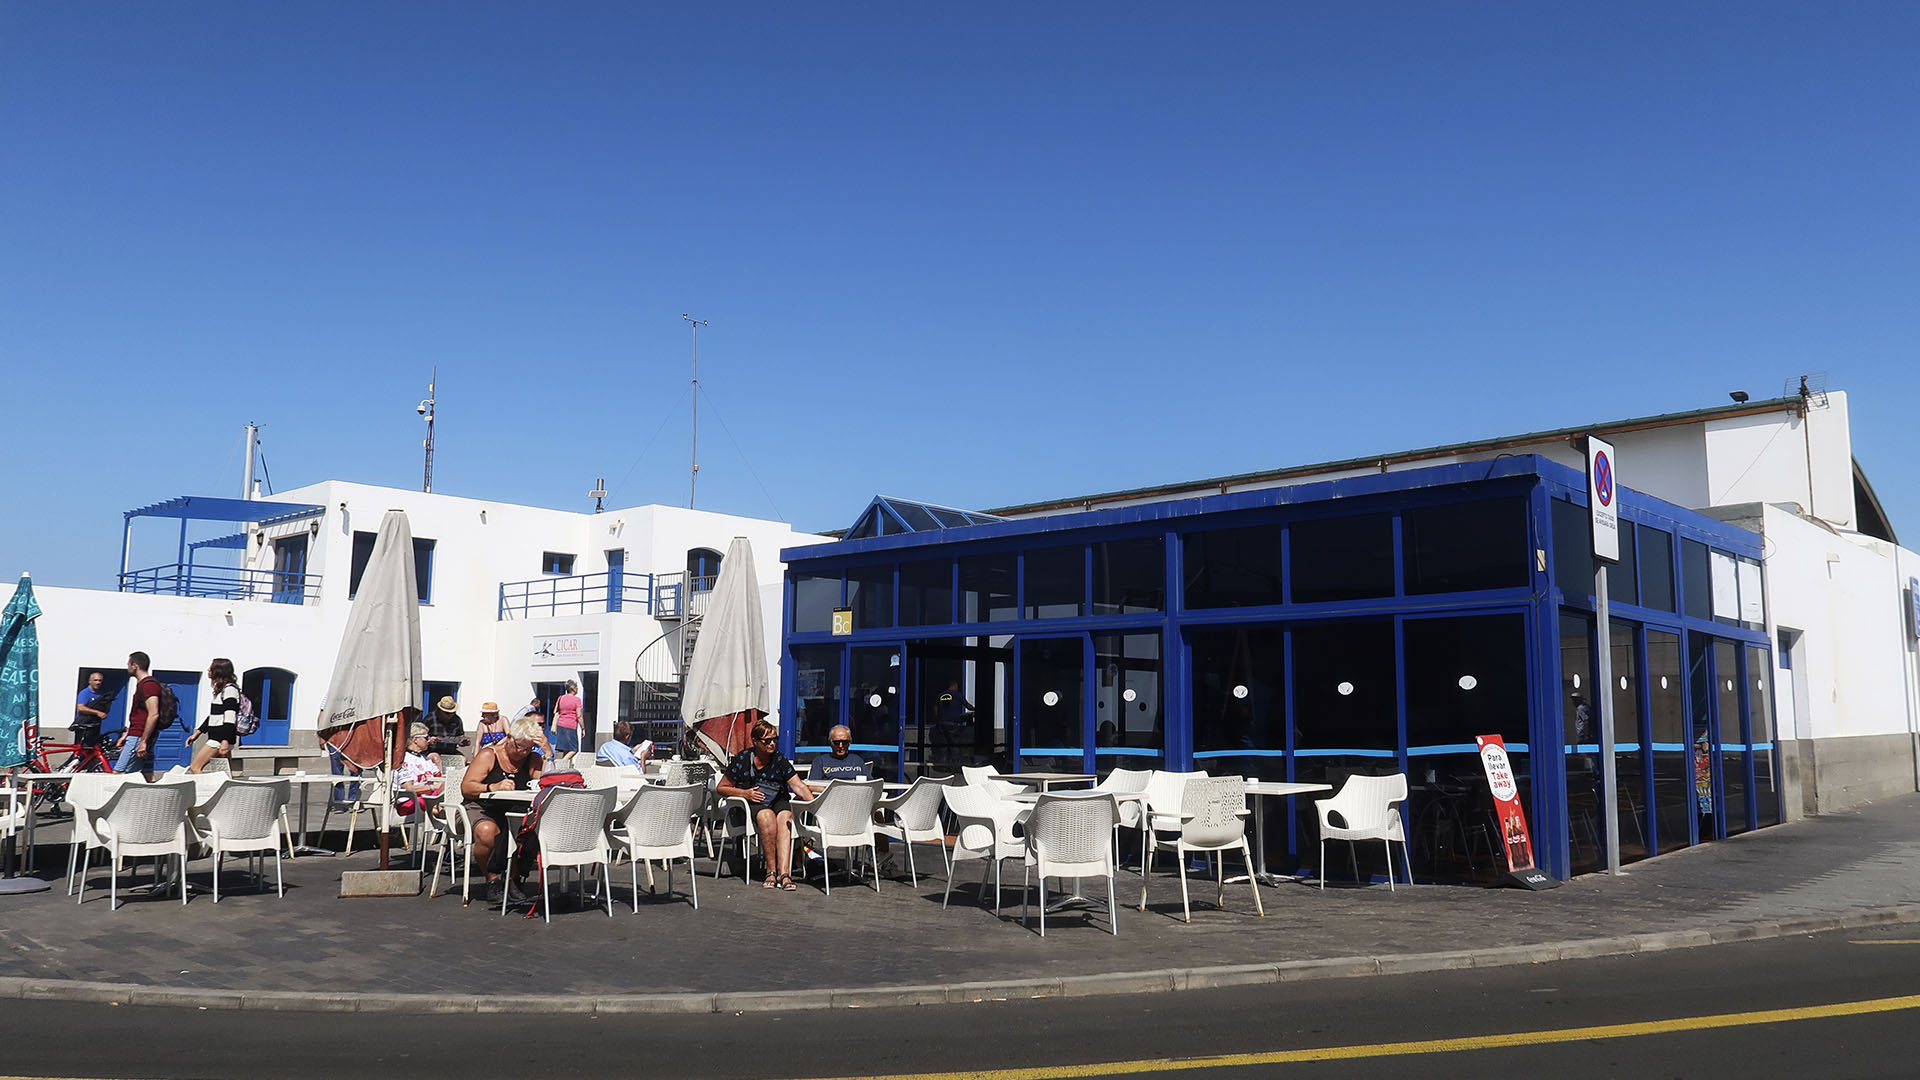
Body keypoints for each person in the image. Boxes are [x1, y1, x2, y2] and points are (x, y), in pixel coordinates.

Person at [716, 719, 811, 891]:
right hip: (750, 802)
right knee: (766, 816)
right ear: (755, 741)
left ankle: (784, 873)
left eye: (775, 739)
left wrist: (814, 808)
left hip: (777, 799)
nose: (772, 743)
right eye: (767, 740)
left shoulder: (779, 759)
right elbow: (721, 787)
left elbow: (798, 786)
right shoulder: (743, 759)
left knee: (785, 816)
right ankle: (770, 870)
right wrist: (745, 793)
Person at [460, 717, 546, 902]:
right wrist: (492, 787)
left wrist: (547, 752)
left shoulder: (533, 758)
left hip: (515, 808)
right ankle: (492, 880)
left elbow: (543, 782)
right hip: (483, 806)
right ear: (509, 737)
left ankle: (514, 879)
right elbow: (467, 787)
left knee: (531, 833)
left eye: (528, 748)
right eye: (520, 747)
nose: (523, 752)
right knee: (487, 832)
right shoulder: (489, 755)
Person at [187, 657, 240, 774]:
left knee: (195, 767)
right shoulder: (221, 690)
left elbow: (230, 716)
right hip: (219, 738)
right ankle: (225, 791)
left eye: (211, 668)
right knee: (223, 774)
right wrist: (198, 732)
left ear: (218, 671)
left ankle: (204, 790)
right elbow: (213, 716)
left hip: (219, 739)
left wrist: (225, 741)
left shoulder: (230, 690)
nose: (208, 670)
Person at [115, 652, 163, 780]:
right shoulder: (144, 684)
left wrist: (143, 741)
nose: (127, 667)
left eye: (128, 664)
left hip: (139, 737)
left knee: (119, 774)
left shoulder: (149, 685)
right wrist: (127, 734)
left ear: (135, 665)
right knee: (146, 775)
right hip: (138, 735)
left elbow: (153, 714)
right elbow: (141, 715)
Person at [394, 723, 445, 817]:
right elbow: (409, 788)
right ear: (415, 739)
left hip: (427, 798)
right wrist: (433, 788)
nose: (429, 740)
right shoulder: (404, 759)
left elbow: (439, 779)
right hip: (409, 802)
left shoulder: (425, 759)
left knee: (450, 788)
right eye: (426, 737)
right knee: (445, 809)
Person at [426, 696, 469, 766]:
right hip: (432, 751)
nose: (449, 715)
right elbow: (420, 737)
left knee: (463, 759)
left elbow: (460, 736)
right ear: (440, 711)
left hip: (451, 751)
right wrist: (429, 740)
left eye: (452, 713)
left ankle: (456, 776)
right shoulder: (430, 719)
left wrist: (464, 741)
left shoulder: (457, 720)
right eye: (446, 713)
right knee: (436, 758)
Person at [73, 671, 110, 747]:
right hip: (84, 727)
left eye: (100, 680)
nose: (98, 682)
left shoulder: (101, 694)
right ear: (90, 681)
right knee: (84, 750)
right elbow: (80, 707)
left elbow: (105, 711)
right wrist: (97, 712)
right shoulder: (85, 693)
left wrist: (107, 704)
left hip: (95, 726)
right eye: (95, 680)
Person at [550, 680, 583, 765]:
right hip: (571, 725)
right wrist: (583, 728)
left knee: (566, 749)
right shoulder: (577, 700)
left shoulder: (561, 698)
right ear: (573, 689)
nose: (577, 689)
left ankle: (564, 767)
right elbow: (579, 716)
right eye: (576, 687)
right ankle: (560, 764)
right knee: (574, 749)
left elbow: (555, 711)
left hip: (561, 725)